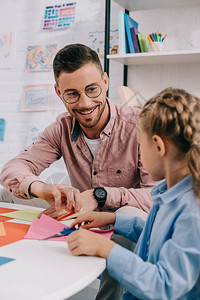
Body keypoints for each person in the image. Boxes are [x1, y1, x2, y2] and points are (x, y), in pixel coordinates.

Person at [0, 43, 154, 300]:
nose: (85, 103)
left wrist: (101, 195)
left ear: (105, 81)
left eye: (92, 89)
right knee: (6, 194)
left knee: (127, 217)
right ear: (59, 92)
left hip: (125, 218)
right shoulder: (62, 127)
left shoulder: (138, 125)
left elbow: (157, 196)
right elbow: (12, 168)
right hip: (79, 209)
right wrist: (42, 188)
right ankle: (20, 273)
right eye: (72, 94)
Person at [67, 88, 200, 299]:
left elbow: (164, 287)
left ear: (158, 146)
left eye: (140, 144)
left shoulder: (192, 212)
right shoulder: (167, 192)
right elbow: (153, 236)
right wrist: (113, 218)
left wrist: (106, 249)